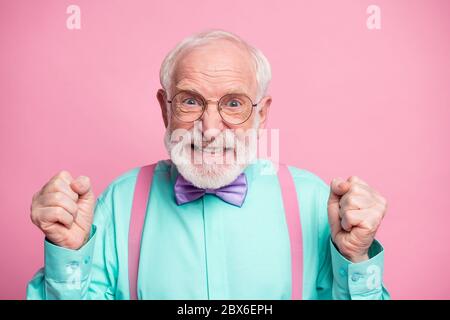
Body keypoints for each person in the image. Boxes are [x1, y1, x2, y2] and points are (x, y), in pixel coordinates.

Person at [27, 30, 390, 300]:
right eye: (190, 102)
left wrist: (355, 257)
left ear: (261, 114)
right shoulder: (119, 202)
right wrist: (68, 256)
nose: (210, 129)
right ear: (164, 109)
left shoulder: (313, 202)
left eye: (234, 104)